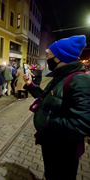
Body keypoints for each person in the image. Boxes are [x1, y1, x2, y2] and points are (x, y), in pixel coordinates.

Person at [23, 35, 90, 180]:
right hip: (52, 144)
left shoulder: (79, 81)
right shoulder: (61, 76)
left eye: (50, 55)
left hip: (64, 151)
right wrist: (31, 86)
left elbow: (83, 124)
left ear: (60, 57)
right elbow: (50, 99)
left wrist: (48, 122)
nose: (47, 59)